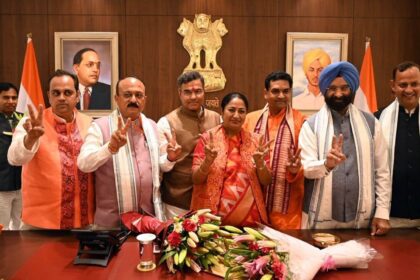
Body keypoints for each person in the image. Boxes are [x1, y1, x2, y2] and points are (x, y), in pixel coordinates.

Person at [299, 62, 391, 235]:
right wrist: (326, 164)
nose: (339, 93)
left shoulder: (371, 124)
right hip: (321, 219)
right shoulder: (310, 126)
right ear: (324, 90)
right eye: (332, 88)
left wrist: (382, 212)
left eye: (344, 88)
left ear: (353, 89)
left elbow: (382, 171)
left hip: (363, 219)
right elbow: (306, 168)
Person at [78, 77, 180, 229]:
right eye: (127, 95)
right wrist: (110, 148)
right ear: (116, 99)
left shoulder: (152, 126)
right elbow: (83, 164)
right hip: (112, 223)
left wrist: (170, 158)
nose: (133, 99)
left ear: (145, 99)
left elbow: (159, 166)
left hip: (149, 220)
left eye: (138, 95)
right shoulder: (99, 126)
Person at [8, 70, 94, 229]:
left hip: (82, 221)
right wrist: (30, 138)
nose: (61, 97)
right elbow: (14, 158)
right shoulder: (31, 122)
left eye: (67, 92)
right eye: (56, 93)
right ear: (49, 96)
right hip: (40, 222)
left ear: (77, 96)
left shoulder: (90, 124)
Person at [191, 92, 271, 227]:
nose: (236, 115)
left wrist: (260, 164)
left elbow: (267, 181)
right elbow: (195, 179)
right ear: (222, 112)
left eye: (241, 111)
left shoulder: (257, 141)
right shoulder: (207, 139)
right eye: (231, 110)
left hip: (250, 221)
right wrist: (207, 162)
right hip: (213, 221)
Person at [243, 71, 306, 229]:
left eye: (286, 91)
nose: (281, 96)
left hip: (288, 208)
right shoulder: (250, 120)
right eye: (275, 91)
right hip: (253, 204)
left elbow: (308, 161)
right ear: (266, 93)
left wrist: (296, 169)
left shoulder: (302, 122)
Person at [157, 71, 220, 219]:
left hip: (210, 199)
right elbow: (161, 166)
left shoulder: (218, 119)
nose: (193, 97)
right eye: (187, 92)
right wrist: (170, 158)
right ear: (180, 93)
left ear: (204, 91)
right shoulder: (166, 123)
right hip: (177, 202)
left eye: (198, 91)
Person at [377, 61, 420, 228]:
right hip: (390, 218)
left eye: (414, 84)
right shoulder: (377, 120)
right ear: (393, 86)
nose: (409, 90)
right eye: (403, 85)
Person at [0, 83, 23, 230]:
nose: (11, 101)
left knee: (20, 228)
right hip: (1, 186)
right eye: (5, 97)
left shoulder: (23, 119)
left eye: (14, 97)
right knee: (3, 228)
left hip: (21, 185)